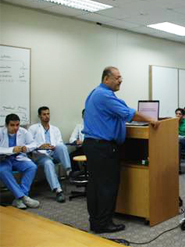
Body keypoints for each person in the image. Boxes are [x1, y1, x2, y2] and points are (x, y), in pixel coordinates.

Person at [82, 66, 159, 234]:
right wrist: (152, 119)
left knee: (96, 185)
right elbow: (129, 114)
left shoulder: (95, 93)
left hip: (94, 145)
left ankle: (95, 221)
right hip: (103, 147)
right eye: (117, 77)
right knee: (107, 186)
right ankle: (104, 223)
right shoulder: (105, 95)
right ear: (106, 79)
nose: (120, 80)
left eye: (120, 77)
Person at [28, 106, 72, 203]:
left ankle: (69, 171)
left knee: (62, 146)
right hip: (41, 156)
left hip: (53, 153)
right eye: (44, 114)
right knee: (48, 163)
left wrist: (54, 146)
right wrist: (41, 146)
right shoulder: (33, 128)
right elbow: (29, 145)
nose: (47, 116)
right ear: (39, 116)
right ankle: (58, 191)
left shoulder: (55, 129)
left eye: (48, 114)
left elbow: (59, 142)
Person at [0, 114, 40, 209]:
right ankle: (23, 197)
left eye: (17, 125)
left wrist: (26, 148)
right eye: (12, 125)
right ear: (6, 125)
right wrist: (12, 150)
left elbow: (34, 144)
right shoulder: (1, 132)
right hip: (3, 159)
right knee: (2, 171)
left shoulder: (23, 132)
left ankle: (19, 198)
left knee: (32, 167)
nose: (16, 127)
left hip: (18, 158)